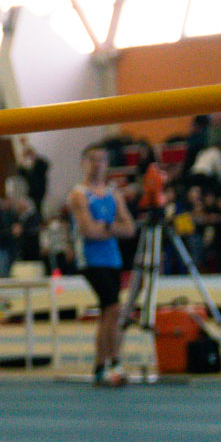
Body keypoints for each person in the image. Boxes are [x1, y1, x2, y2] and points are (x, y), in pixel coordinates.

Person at [69, 144, 134, 387]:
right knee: (114, 308)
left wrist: (105, 227)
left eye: (102, 160)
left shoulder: (113, 193)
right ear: (84, 163)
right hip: (90, 259)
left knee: (109, 312)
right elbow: (89, 231)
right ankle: (112, 362)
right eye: (93, 160)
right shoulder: (79, 194)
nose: (97, 165)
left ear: (107, 164)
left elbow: (130, 228)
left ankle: (102, 365)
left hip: (113, 259)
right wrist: (112, 228)